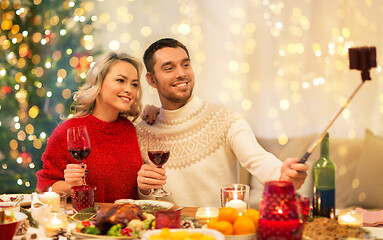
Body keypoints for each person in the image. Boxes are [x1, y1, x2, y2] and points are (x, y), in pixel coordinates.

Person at [136, 38, 309, 207]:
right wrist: (143, 190)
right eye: (169, 68)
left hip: (219, 230)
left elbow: (258, 160)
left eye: (186, 64)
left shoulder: (225, 119)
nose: (181, 73)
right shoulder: (142, 132)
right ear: (151, 80)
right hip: (168, 233)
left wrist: (283, 175)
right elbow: (141, 202)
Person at [36, 52, 144, 202]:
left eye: (134, 84)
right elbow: (44, 189)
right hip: (86, 222)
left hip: (128, 222)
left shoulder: (131, 130)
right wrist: (71, 185)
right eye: (120, 80)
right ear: (98, 83)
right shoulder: (67, 131)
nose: (129, 90)